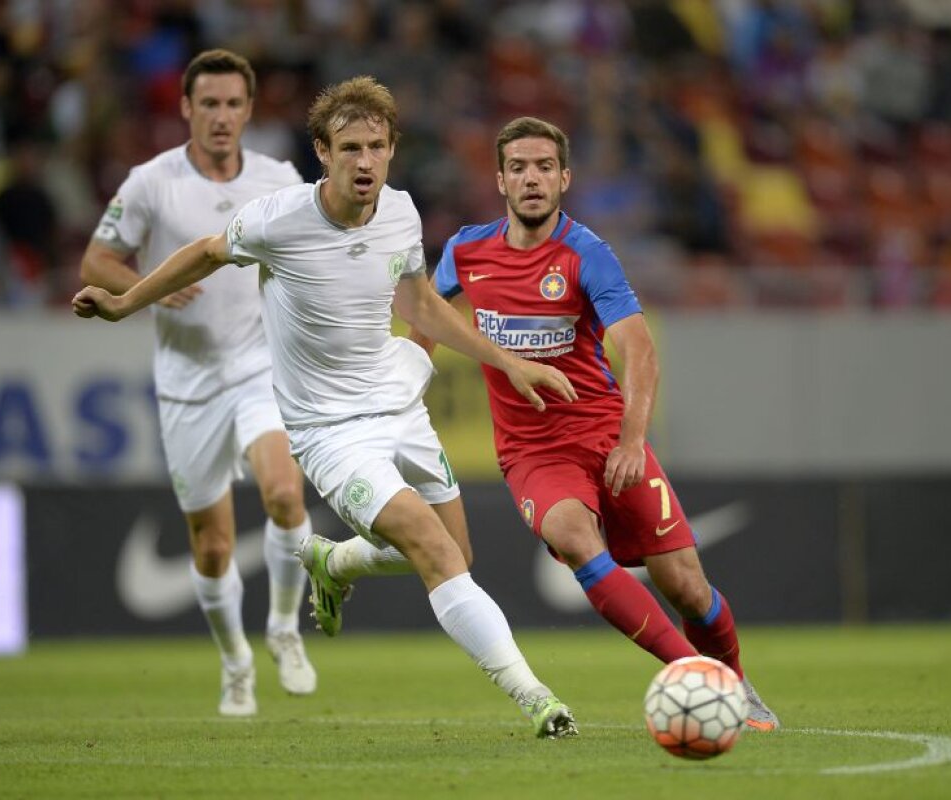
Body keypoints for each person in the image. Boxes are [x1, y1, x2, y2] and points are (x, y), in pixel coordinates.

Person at [72, 76, 581, 739]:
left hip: (399, 404)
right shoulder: (278, 219)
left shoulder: (401, 211)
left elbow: (420, 304)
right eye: (349, 148)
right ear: (323, 151)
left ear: (392, 149)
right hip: (331, 432)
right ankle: (537, 698)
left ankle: (334, 561)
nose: (364, 162)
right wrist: (122, 303)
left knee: (457, 551)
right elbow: (203, 253)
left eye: (375, 147)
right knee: (432, 547)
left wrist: (509, 363)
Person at [415, 116, 780, 731]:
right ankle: (699, 677)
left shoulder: (587, 254)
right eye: (519, 168)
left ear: (564, 178)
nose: (531, 178)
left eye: (543, 167)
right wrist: (399, 395)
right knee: (576, 537)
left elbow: (639, 350)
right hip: (533, 454)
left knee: (688, 587)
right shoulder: (464, 252)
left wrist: (633, 439)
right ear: (501, 180)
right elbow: (425, 325)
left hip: (608, 438)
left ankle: (735, 681)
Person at [78, 49, 316, 717]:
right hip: (187, 382)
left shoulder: (277, 177)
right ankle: (236, 660)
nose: (221, 117)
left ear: (249, 109)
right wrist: (149, 290)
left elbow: (307, 248)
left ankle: (284, 627)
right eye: (207, 104)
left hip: (258, 367)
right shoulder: (151, 182)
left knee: (284, 492)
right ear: (185, 108)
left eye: (233, 104)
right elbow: (97, 258)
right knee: (211, 546)